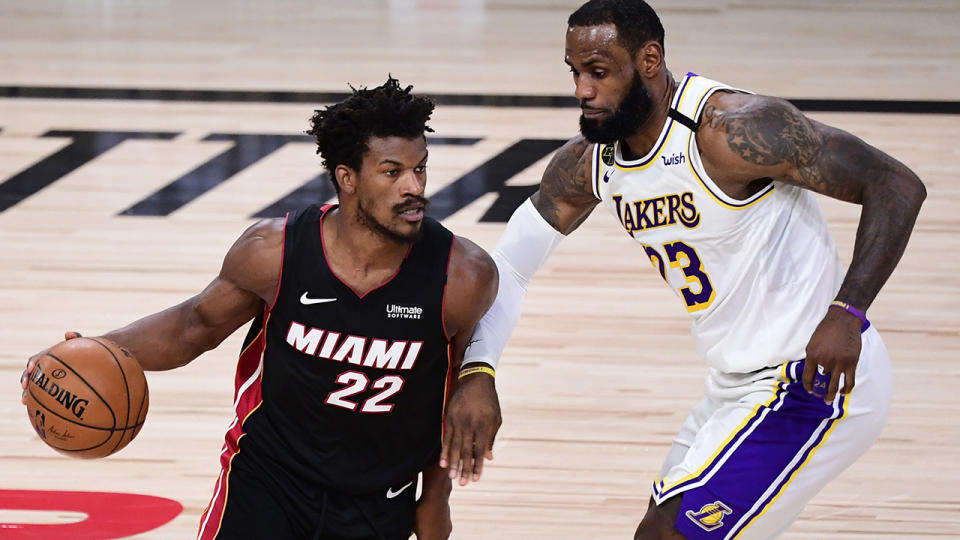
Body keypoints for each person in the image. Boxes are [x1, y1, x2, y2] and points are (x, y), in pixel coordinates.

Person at [440, 1, 926, 538]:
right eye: (574, 72)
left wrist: (847, 311)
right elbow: (509, 264)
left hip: (812, 381)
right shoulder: (590, 163)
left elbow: (895, 185)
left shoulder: (732, 131)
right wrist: (477, 372)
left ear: (650, 60)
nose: (582, 90)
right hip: (732, 389)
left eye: (599, 72)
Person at [21, 77, 498, 540]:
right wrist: (91, 349)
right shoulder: (274, 253)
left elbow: (452, 393)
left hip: (379, 496)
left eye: (421, 168)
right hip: (267, 481)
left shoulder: (462, 275)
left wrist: (436, 495)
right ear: (347, 178)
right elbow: (193, 328)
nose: (414, 187)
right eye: (393, 172)